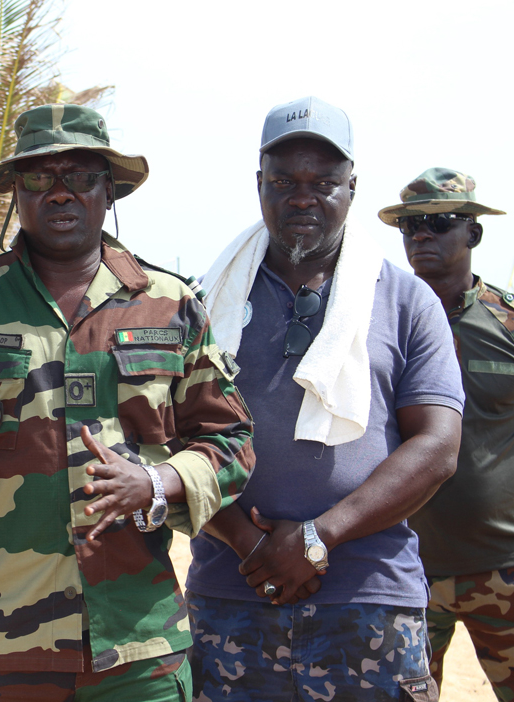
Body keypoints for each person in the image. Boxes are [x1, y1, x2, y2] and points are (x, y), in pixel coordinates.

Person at [0, 104, 255, 702]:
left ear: (109, 190)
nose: (60, 192)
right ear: (16, 192)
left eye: (80, 176)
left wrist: (156, 482)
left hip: (139, 647)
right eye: (38, 177)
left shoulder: (171, 304)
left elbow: (231, 440)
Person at [189, 97, 465, 701]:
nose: (302, 198)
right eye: (284, 181)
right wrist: (249, 544)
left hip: (369, 601)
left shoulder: (406, 301)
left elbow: (438, 445)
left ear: (353, 188)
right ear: (259, 184)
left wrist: (320, 536)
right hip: (231, 595)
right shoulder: (200, 302)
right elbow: (168, 433)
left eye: (323, 183)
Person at [380, 168, 514, 700]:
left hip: (502, 568)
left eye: (439, 223)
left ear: (473, 233)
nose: (421, 235)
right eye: (410, 226)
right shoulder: (377, 324)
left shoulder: (506, 323)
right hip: (404, 568)